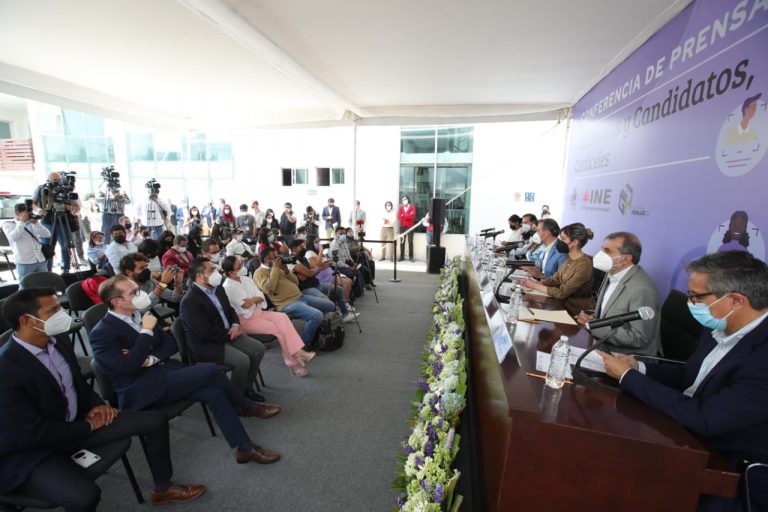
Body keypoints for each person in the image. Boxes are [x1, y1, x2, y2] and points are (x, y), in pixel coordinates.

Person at [0, 288, 205, 508]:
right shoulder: (7, 369)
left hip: (78, 422)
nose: (63, 314)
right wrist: (88, 426)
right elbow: (29, 433)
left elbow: (76, 383)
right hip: (36, 449)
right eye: (54, 310)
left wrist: (97, 404)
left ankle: (163, 489)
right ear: (27, 320)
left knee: (154, 421)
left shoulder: (57, 339)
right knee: (85, 496)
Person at [598, 251, 768, 511]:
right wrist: (639, 367)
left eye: (696, 297)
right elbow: (690, 378)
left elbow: (707, 419)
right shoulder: (719, 327)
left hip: (728, 471)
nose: (690, 303)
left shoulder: (762, 356)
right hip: (687, 438)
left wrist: (628, 377)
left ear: (735, 300)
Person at [90, 276, 281, 465]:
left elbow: (170, 344)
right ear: (117, 302)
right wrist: (146, 333)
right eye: (134, 292)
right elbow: (128, 367)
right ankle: (247, 406)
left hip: (164, 374)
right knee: (211, 371)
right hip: (141, 389)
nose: (141, 295)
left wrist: (148, 358)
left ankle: (245, 448)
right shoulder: (102, 332)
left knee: (214, 394)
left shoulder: (140, 315)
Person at [180, 257, 267, 399]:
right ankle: (237, 399)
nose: (217, 273)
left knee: (258, 349)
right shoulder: (190, 301)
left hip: (228, 332)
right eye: (212, 270)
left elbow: (230, 310)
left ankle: (246, 388)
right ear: (199, 276)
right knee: (242, 361)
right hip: (207, 345)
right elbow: (204, 333)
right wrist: (229, 333)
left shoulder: (218, 288)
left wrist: (236, 324)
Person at [222, 256, 315, 377]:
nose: (242, 266)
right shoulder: (227, 287)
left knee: (283, 318)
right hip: (246, 320)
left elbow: (260, 296)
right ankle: (294, 363)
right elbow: (244, 305)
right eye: (239, 265)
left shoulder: (245, 279)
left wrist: (253, 300)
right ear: (231, 272)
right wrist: (254, 300)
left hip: (259, 312)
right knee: (279, 331)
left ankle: (298, 352)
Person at [575, 232, 661, 356]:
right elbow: (611, 314)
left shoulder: (642, 289)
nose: (600, 255)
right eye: (602, 249)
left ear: (626, 259)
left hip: (625, 359)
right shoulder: (613, 273)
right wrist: (592, 319)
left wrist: (594, 326)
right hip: (602, 346)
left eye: (607, 251)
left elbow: (639, 337)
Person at [254, 248, 335, 347]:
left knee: (330, 305)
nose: (278, 259)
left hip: (300, 297)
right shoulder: (259, 273)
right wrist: (275, 268)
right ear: (267, 260)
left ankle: (319, 332)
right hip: (286, 303)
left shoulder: (276, 268)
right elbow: (270, 288)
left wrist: (286, 271)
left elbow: (295, 282)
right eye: (275, 258)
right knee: (316, 315)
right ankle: (303, 345)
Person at [521, 223, 595, 316]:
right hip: (561, 304)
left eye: (563, 239)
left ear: (574, 242)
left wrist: (534, 286)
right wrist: (534, 283)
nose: (559, 241)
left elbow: (562, 292)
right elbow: (555, 279)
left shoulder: (584, 264)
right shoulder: (569, 258)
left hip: (576, 312)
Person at [288, 239, 356, 322]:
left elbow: (314, 270)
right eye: (300, 247)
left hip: (317, 283)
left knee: (339, 289)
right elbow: (310, 272)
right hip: (307, 289)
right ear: (293, 250)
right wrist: (311, 271)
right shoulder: (292, 260)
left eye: (303, 246)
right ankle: (324, 321)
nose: (303, 248)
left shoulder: (303, 258)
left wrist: (311, 271)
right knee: (326, 301)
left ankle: (345, 314)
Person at [120, 252, 184, 311]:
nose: (146, 270)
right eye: (141, 268)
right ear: (129, 272)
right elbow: (141, 310)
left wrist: (178, 283)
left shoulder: (148, 280)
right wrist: (162, 283)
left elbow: (175, 298)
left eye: (146, 267)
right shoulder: (123, 288)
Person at [2, 203, 51, 279]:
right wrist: (22, 222)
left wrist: (37, 224)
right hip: (25, 262)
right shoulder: (8, 224)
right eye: (26, 213)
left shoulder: (31, 223)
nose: (29, 215)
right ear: (18, 213)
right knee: (25, 287)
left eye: (29, 212)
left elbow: (47, 234)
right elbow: (13, 237)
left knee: (44, 284)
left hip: (40, 259)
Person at [305, 234, 354, 305]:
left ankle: (344, 303)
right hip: (322, 278)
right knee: (346, 283)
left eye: (319, 242)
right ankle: (344, 304)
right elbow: (317, 265)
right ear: (310, 242)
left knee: (349, 280)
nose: (318, 244)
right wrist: (321, 252)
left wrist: (323, 264)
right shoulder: (309, 253)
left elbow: (328, 263)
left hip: (330, 275)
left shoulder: (317, 252)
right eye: (316, 242)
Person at [397, 195, 416, 262]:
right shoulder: (401, 208)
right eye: (403, 200)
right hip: (402, 227)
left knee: (410, 242)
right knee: (402, 242)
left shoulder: (412, 207)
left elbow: (412, 216)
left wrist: (404, 215)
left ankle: (411, 257)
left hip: (410, 227)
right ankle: (401, 256)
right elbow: (399, 217)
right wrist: (407, 216)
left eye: (405, 199)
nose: (404, 201)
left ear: (408, 199)